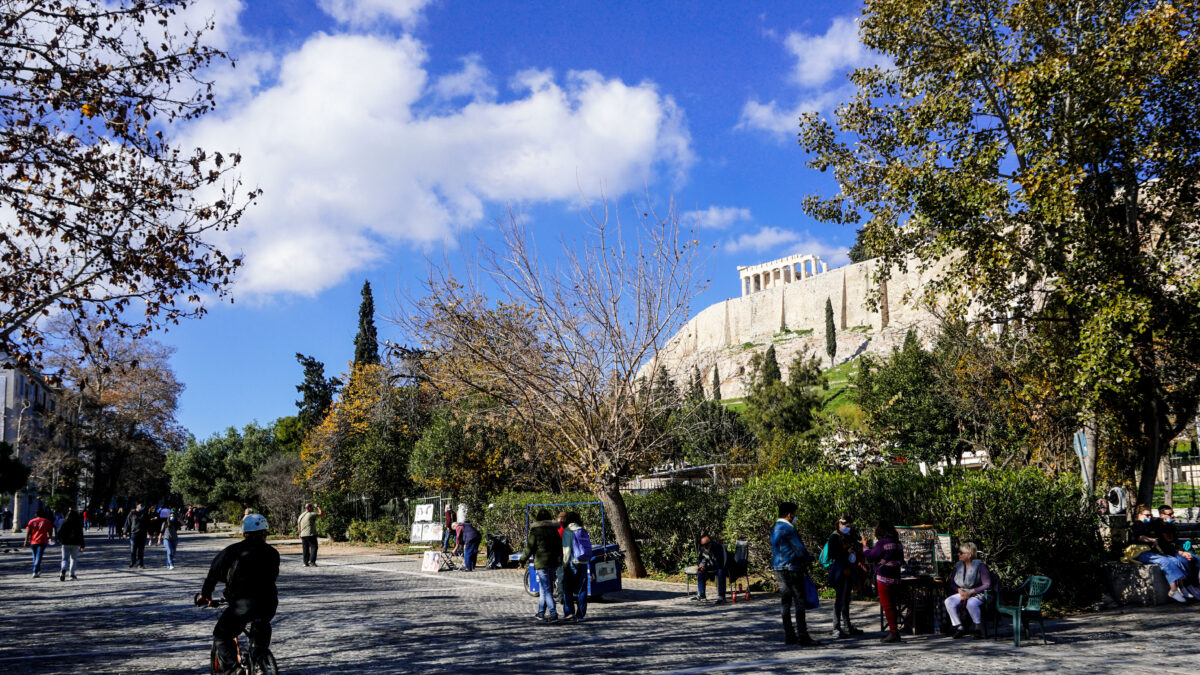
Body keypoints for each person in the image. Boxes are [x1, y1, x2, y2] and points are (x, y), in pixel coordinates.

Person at [196, 514, 280, 673]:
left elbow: (213, 573)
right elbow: (272, 576)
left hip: (242, 604)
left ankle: (233, 669)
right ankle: (260, 658)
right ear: (264, 533)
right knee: (262, 623)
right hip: (268, 603)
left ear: (244, 533)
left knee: (222, 635)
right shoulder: (273, 553)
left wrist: (206, 595)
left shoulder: (232, 551)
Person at [771, 501, 820, 647]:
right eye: (794, 513)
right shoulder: (788, 528)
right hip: (792, 568)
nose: (795, 516)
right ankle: (803, 636)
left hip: (778, 568)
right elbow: (799, 549)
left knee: (785, 602)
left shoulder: (775, 528)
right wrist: (808, 561)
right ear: (789, 514)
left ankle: (789, 635)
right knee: (799, 602)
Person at [1131, 504, 1193, 602]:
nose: (1149, 517)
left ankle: (1182, 587)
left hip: (1152, 551)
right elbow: (1139, 537)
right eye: (1147, 515)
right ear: (1139, 515)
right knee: (1165, 561)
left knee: (1175, 560)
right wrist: (1151, 540)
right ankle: (1173, 590)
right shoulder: (1137, 524)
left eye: (1150, 515)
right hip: (1140, 552)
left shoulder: (1149, 525)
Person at [519, 508, 563, 622]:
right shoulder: (554, 530)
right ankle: (540, 612)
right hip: (553, 562)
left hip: (542, 563)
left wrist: (522, 560)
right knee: (544, 588)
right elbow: (559, 547)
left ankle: (553, 614)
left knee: (546, 589)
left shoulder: (536, 531)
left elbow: (530, 548)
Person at [863, 521, 904, 643]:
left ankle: (893, 632)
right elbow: (901, 560)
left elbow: (870, 557)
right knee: (894, 604)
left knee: (887, 605)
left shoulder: (882, 543)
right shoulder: (898, 543)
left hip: (884, 577)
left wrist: (865, 547)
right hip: (896, 576)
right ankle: (894, 630)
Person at [944, 542, 994, 638]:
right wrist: (959, 590)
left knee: (971, 603)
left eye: (961, 553)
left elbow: (987, 584)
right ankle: (960, 627)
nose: (959, 555)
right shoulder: (958, 566)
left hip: (978, 593)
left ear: (969, 555)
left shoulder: (980, 566)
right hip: (963, 591)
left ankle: (977, 628)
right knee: (948, 601)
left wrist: (971, 592)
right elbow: (952, 583)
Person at [825, 514, 864, 638]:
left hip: (848, 570)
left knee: (846, 600)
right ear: (840, 524)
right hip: (839, 572)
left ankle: (847, 626)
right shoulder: (834, 537)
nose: (848, 528)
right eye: (847, 526)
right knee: (839, 600)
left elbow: (857, 545)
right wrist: (845, 552)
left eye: (850, 526)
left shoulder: (848, 536)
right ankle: (836, 628)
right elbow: (831, 554)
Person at [563, 512, 592, 622]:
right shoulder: (583, 530)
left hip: (572, 562)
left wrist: (564, 564)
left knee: (568, 589)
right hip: (584, 562)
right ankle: (580, 615)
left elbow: (566, 550)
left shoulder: (568, 531)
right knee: (582, 589)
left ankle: (569, 613)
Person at [692, 535, 728, 604]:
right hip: (712, 567)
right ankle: (701, 594)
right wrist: (701, 566)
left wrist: (706, 568)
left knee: (721, 571)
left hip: (724, 566)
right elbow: (700, 559)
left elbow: (720, 564)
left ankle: (721, 596)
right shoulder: (703, 548)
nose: (704, 547)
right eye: (702, 545)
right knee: (700, 572)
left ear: (710, 543)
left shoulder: (717, 548)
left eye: (705, 545)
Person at [57, 506, 85, 581]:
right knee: (73, 559)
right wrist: (82, 545)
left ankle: (63, 571)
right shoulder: (78, 523)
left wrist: (60, 540)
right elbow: (81, 535)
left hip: (65, 543)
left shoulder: (65, 522)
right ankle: (72, 574)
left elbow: (59, 532)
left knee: (64, 558)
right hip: (75, 543)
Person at [24, 509, 55, 578]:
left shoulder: (31, 521)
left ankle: (37, 570)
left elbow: (28, 532)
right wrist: (50, 538)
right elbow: (50, 531)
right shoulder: (46, 521)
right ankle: (35, 570)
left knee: (34, 556)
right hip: (42, 541)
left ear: (36, 514)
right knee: (39, 556)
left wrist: (26, 541)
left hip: (33, 541)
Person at [125, 503, 151, 568]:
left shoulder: (145, 513)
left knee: (141, 550)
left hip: (142, 534)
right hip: (134, 533)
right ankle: (133, 561)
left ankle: (140, 563)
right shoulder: (132, 513)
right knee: (133, 549)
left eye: (142, 506)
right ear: (137, 506)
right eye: (140, 505)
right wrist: (125, 532)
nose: (141, 507)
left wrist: (150, 532)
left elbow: (148, 523)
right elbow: (127, 523)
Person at [297, 503, 323, 567]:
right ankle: (312, 561)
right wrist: (317, 507)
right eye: (312, 507)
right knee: (314, 547)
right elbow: (321, 514)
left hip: (303, 535)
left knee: (305, 548)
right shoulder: (311, 514)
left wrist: (299, 533)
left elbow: (299, 525)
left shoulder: (301, 515)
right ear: (309, 508)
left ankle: (305, 562)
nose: (312, 508)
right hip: (310, 534)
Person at [556, 511, 572, 613]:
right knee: (564, 576)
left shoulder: (559, 529)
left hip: (560, 555)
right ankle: (563, 596)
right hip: (566, 555)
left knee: (561, 576)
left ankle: (561, 596)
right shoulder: (567, 529)